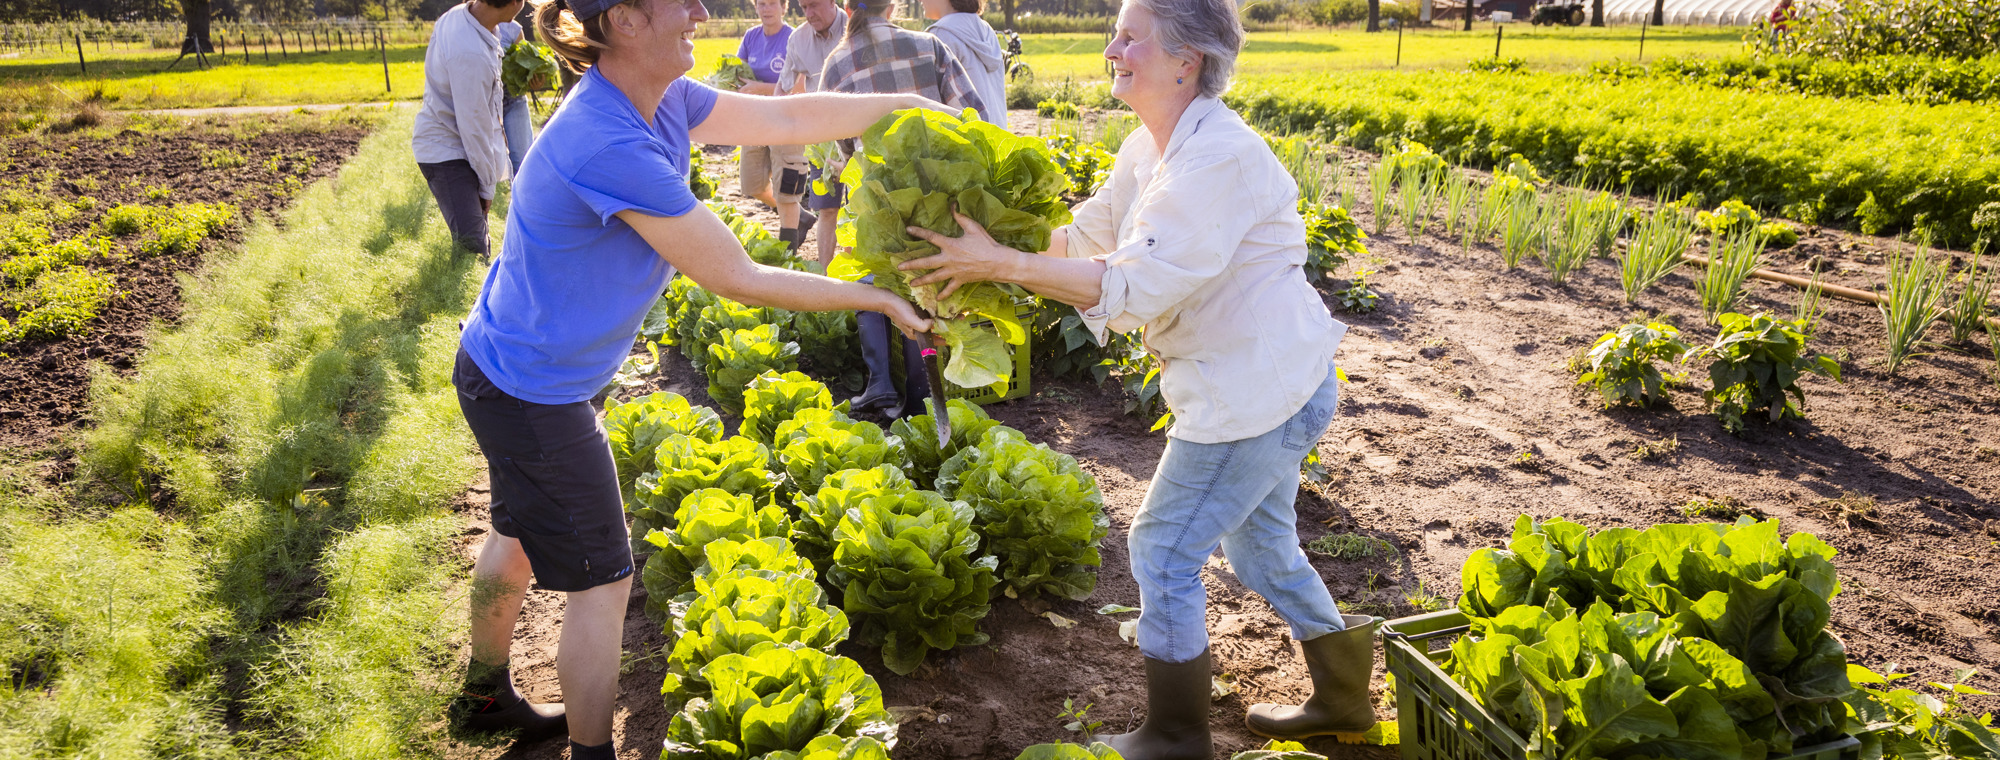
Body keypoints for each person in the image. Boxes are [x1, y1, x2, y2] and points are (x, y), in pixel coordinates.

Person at [446, 0, 938, 754]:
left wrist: (901, 106)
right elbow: (735, 275)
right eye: (684, 0)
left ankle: (481, 695)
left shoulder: (662, 98)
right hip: (532, 391)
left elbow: (786, 120)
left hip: (516, 366)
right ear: (628, 21)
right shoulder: (603, 139)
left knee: (514, 536)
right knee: (604, 584)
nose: (703, 12)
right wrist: (871, 294)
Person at [896, 0, 1369, 756]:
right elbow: (1083, 240)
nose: (1110, 47)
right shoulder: (1148, 148)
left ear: (1187, 60)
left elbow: (1139, 284)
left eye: (1128, 36)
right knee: (1262, 551)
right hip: (1267, 381)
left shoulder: (1217, 158)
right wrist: (975, 242)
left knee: (1160, 548)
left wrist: (999, 265)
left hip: (1255, 394)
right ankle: (1344, 700)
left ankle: (1176, 733)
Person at [820, 0, 984, 418]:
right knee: (923, 289)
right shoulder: (930, 48)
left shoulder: (837, 63)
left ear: (846, 7)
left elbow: (840, 143)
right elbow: (974, 117)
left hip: (878, 199)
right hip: (937, 195)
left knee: (870, 277)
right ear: (892, 5)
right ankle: (921, 400)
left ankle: (881, 385)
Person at [415, 0, 524, 259]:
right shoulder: (471, 53)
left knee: (476, 241)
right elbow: (474, 129)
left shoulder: (460, 18)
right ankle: (463, 297)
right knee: (472, 249)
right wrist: (487, 188)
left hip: (455, 145)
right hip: (448, 152)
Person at [773, 0, 848, 265]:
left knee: (855, 210)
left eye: (814, 5)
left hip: (857, 132)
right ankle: (827, 275)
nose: (808, 14)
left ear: (831, 2)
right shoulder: (799, 39)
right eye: (803, 7)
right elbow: (784, 86)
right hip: (822, 139)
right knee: (827, 208)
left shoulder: (854, 27)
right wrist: (774, 121)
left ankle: (856, 276)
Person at [732, 0, 804, 243]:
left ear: (784, 7)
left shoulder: (794, 38)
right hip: (755, 122)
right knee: (751, 185)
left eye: (772, 3)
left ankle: (788, 248)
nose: (766, 9)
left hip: (785, 123)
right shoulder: (751, 36)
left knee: (786, 192)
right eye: (761, 4)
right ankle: (800, 217)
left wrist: (759, 89)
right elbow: (737, 72)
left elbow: (800, 88)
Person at [916, 0, 1007, 127]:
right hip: (997, 136)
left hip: (967, 140)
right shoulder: (987, 31)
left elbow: (929, 104)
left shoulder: (939, 35)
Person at [497, 20, 537, 175]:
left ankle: (521, 199)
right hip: (481, 102)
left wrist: (532, 79)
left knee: (522, 161)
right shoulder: (470, 24)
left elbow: (526, 67)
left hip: (514, 100)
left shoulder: (513, 28)